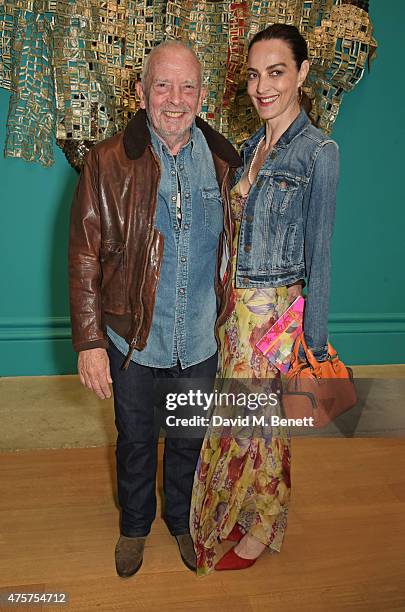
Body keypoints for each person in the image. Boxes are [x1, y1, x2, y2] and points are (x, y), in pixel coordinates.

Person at [68, 40, 240, 578]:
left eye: (187, 86)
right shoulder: (107, 161)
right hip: (133, 341)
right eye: (162, 85)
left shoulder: (224, 161)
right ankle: (135, 526)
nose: (174, 98)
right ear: (141, 93)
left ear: (202, 96)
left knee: (189, 440)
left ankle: (181, 523)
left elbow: (235, 249)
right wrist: (91, 342)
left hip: (200, 342)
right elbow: (84, 256)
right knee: (137, 442)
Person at [190, 24, 339, 573]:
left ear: (301, 74)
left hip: (276, 313)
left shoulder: (319, 152)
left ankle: (262, 527)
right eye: (254, 75)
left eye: (276, 72)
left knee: (264, 428)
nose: (262, 86)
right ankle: (241, 510)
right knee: (236, 422)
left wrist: (314, 345)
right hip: (236, 313)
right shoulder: (252, 145)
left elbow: (319, 255)